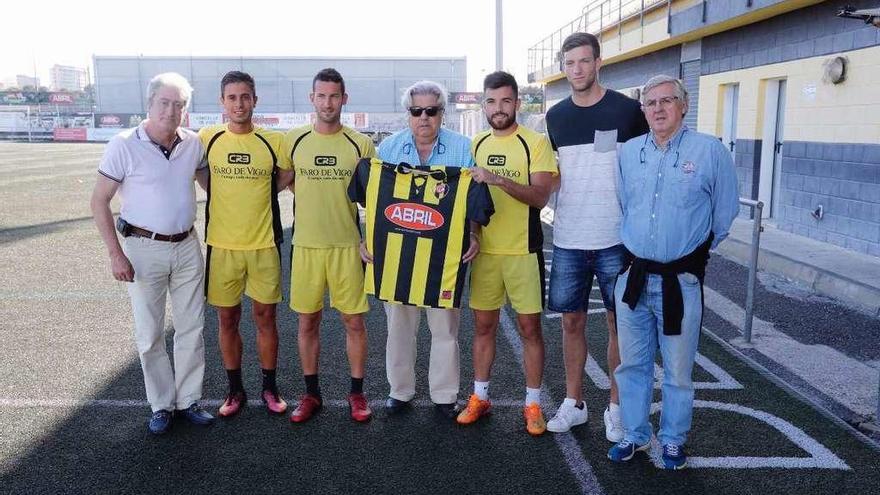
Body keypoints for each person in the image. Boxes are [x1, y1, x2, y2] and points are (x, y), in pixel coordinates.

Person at [607, 75, 739, 469]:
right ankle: (634, 435)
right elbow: (624, 203)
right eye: (651, 102)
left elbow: (725, 214)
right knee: (631, 365)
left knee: (679, 369)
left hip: (681, 282)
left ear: (683, 106)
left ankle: (673, 440)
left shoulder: (709, 151)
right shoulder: (629, 153)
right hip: (633, 278)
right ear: (643, 109)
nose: (659, 109)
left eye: (667, 101)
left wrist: (689, 258)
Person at [90, 72, 213, 434]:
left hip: (188, 246)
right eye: (165, 102)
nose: (172, 111)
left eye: (180, 105)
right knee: (150, 334)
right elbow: (99, 200)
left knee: (192, 328)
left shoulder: (193, 144)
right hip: (143, 249)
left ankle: (188, 400)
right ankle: (161, 405)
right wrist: (115, 254)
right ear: (150, 104)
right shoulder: (123, 143)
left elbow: (212, 185)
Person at [543, 32, 649, 440]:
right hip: (569, 235)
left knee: (618, 323)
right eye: (570, 63)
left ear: (598, 62)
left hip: (616, 237)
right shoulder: (555, 117)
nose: (577, 70)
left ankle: (617, 408)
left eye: (584, 61)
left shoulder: (627, 111)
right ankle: (575, 403)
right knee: (571, 322)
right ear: (563, 66)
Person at [369, 80, 479, 419]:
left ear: (442, 113)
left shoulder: (463, 148)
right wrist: (367, 241)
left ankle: (445, 395)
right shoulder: (387, 149)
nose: (424, 117)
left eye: (432, 110)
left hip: (445, 255)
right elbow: (374, 202)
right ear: (408, 113)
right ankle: (400, 391)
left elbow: (474, 198)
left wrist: (475, 234)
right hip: (398, 254)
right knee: (399, 327)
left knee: (445, 328)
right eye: (417, 111)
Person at [457, 71, 558, 436]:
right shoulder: (477, 143)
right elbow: (471, 200)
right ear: (483, 104)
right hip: (485, 254)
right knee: (483, 327)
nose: (498, 109)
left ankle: (532, 403)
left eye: (505, 101)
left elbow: (540, 197)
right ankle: (480, 397)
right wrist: (472, 234)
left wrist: (498, 179)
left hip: (523, 251)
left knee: (529, 329)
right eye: (491, 101)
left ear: (517, 103)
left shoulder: (535, 142)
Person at [279, 68, 376, 423]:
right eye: (321, 96)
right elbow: (285, 180)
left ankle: (357, 394)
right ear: (312, 99)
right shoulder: (293, 140)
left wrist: (370, 238)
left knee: (354, 322)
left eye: (334, 96)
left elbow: (375, 199)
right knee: (308, 322)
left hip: (347, 247)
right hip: (305, 246)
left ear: (344, 99)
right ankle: (311, 394)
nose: (328, 103)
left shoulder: (360, 144)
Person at [198, 71, 292, 418]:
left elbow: (284, 175)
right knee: (227, 320)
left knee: (266, 318)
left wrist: (260, 194)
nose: (239, 104)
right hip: (221, 247)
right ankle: (234, 390)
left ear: (255, 100)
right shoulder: (208, 138)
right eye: (232, 97)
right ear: (222, 102)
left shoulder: (274, 142)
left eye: (245, 97)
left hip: (264, 245)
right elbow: (199, 171)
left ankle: (270, 387)